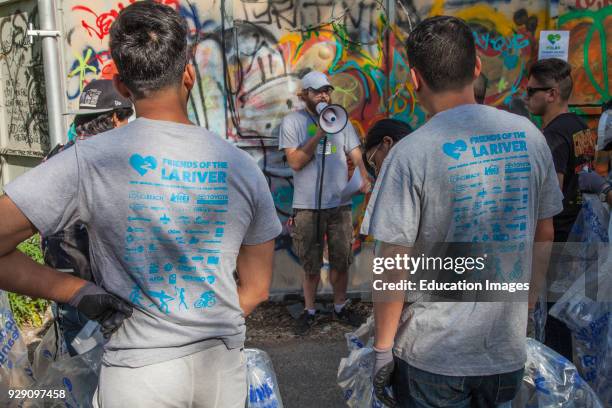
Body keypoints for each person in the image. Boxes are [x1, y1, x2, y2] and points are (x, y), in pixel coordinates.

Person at [0, 2, 281, 407]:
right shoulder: (242, 167)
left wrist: (77, 291)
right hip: (221, 370)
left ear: (121, 86)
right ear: (189, 72)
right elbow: (256, 289)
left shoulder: (89, 159)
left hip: (138, 373)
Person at [362, 16, 563, 407]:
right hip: (504, 351)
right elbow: (545, 233)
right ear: (475, 68)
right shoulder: (530, 138)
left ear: (415, 79)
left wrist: (382, 349)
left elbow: (393, 261)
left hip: (431, 356)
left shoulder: (409, 154)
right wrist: (528, 305)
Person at [43, 79, 134, 356]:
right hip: (106, 294)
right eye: (127, 118)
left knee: (80, 373)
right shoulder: (111, 162)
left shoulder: (58, 155)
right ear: (116, 118)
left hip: (66, 290)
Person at [279, 70, 371, 335]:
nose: (324, 95)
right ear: (304, 94)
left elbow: (354, 153)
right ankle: (309, 311)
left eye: (327, 90)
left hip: (338, 204)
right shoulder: (293, 122)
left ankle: (340, 306)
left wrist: (364, 179)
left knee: (341, 260)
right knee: (311, 263)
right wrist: (319, 133)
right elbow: (295, 161)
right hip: (307, 206)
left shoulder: (341, 121)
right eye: (318, 91)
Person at [526, 58, 590, 359]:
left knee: (552, 330)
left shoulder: (551, 137)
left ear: (551, 93)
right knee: (568, 324)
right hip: (581, 238)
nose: (527, 98)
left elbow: (549, 200)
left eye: (531, 92)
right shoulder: (580, 126)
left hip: (558, 244)